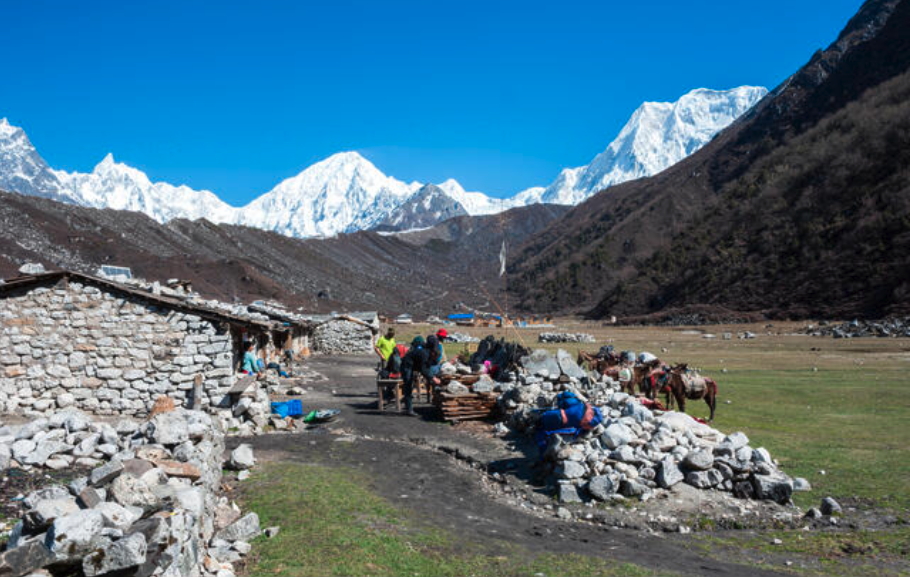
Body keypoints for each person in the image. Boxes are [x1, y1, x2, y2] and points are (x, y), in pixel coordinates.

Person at [399, 336, 439, 416]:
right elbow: (424, 369)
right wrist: (433, 378)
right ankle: (409, 409)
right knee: (408, 384)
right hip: (407, 365)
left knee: (410, 385)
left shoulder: (429, 351)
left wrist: (432, 375)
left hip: (414, 366)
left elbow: (428, 366)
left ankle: (407, 401)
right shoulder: (424, 353)